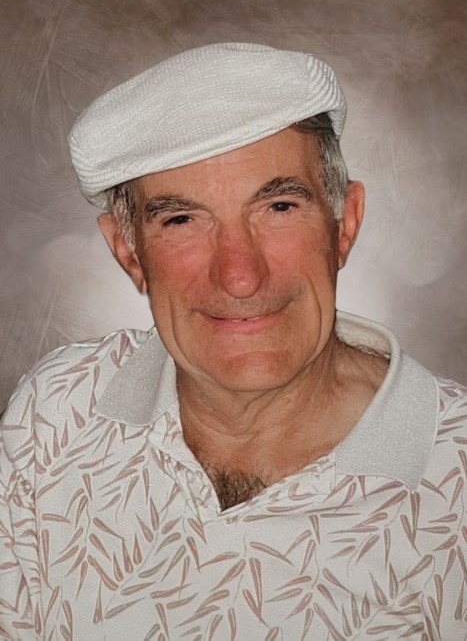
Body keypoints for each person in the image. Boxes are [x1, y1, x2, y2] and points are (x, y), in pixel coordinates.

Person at [0, 43, 466, 640]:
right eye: (181, 220)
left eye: (279, 206)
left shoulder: (455, 478)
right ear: (128, 252)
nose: (240, 275)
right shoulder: (56, 412)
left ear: (343, 225)